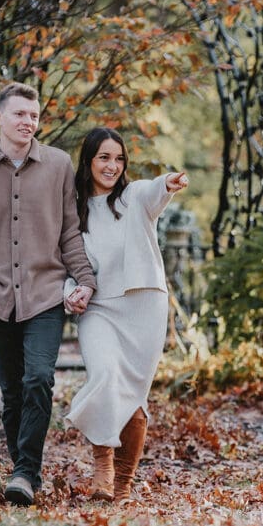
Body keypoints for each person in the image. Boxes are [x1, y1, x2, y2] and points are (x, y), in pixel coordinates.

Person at [0, 82, 97, 507]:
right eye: (20, 114)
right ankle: (23, 470)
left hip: (45, 294)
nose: (29, 122)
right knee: (11, 391)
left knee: (39, 379)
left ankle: (26, 472)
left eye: (34, 115)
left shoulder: (59, 165)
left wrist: (85, 280)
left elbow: (69, 231)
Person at [63, 126, 188, 503]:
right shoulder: (71, 212)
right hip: (99, 310)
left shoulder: (134, 197)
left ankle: (122, 485)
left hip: (143, 307)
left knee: (133, 397)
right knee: (104, 376)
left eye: (119, 159)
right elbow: (63, 264)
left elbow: (153, 189)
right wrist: (70, 293)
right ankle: (103, 467)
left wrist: (168, 181)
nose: (112, 166)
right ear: (87, 161)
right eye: (104, 157)